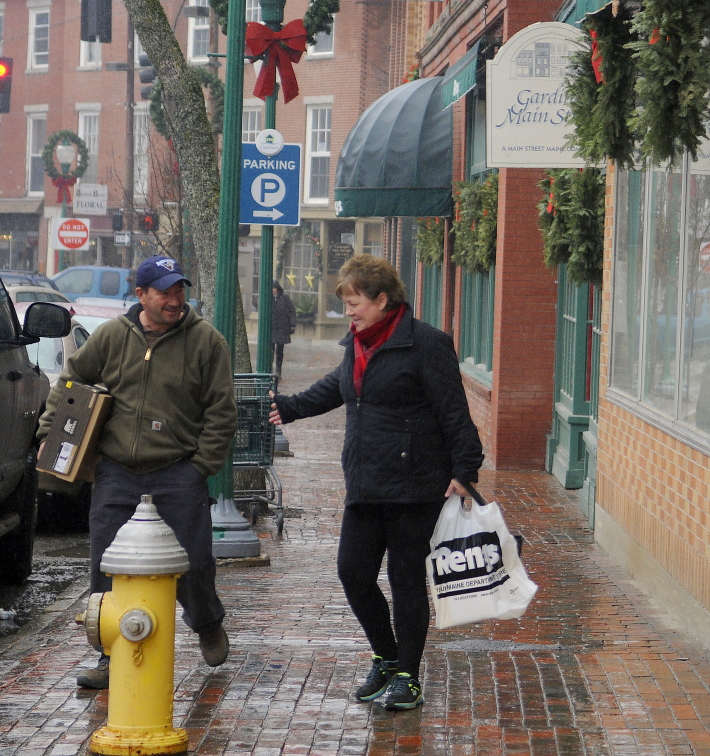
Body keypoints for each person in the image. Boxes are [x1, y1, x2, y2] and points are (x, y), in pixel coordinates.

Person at [269, 255, 483, 711]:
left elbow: (454, 412)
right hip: (366, 480)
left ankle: (408, 674)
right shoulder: (358, 344)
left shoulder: (426, 343)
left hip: (415, 485)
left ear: (383, 300)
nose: (348, 311)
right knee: (353, 572)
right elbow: (339, 386)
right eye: (345, 302)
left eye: (355, 302)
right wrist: (290, 407)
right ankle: (385, 658)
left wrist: (465, 471)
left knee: (405, 579)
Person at [37, 255, 237, 690]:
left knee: (195, 563)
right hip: (117, 473)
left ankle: (207, 623)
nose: (174, 300)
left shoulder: (207, 343)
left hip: (178, 471)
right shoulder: (111, 337)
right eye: (163, 292)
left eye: (179, 290)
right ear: (141, 294)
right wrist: (49, 432)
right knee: (106, 567)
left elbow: (222, 411)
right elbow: (71, 381)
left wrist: (201, 466)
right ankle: (111, 654)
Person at [270, 281, 296, 380]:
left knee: (279, 351)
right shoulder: (270, 299)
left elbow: (292, 311)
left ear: (278, 289)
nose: (273, 290)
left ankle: (278, 370)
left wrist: (292, 325)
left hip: (282, 328)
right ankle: (269, 369)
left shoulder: (285, 299)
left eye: (274, 288)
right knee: (270, 350)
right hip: (272, 329)